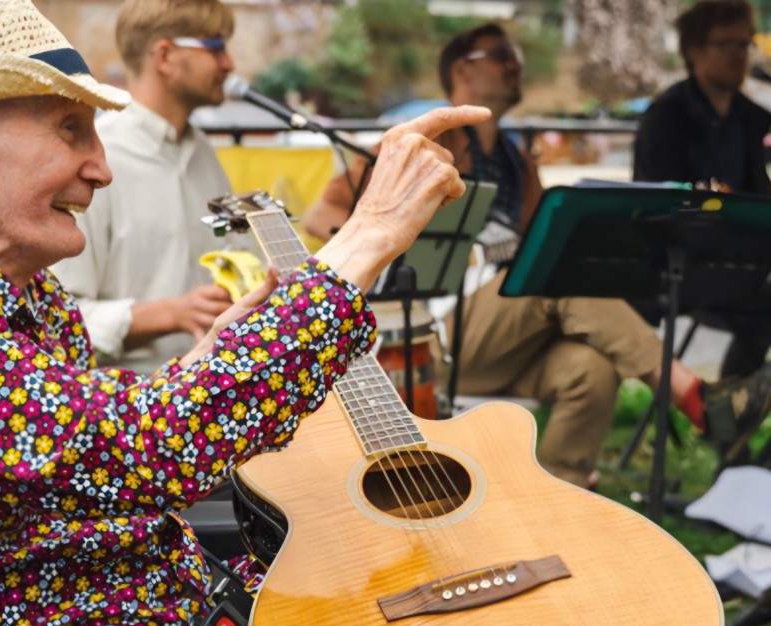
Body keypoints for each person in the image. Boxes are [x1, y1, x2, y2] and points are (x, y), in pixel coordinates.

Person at [0, 0, 488, 626]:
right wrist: (368, 237)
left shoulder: (12, 286)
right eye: (69, 129)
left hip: (192, 614)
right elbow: (147, 450)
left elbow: (94, 438)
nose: (101, 168)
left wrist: (215, 350)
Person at [305, 22, 771, 488]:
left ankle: (554, 496)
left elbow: (541, 244)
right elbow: (322, 212)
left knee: (591, 369)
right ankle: (696, 400)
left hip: (507, 334)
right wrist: (380, 252)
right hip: (438, 335)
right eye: (500, 56)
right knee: (558, 281)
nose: (516, 66)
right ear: (461, 72)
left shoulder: (515, 159)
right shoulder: (428, 143)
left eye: (518, 57)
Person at [52, 0, 257, 376]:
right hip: (124, 407)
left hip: (215, 394)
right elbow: (56, 322)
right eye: (216, 46)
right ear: (164, 56)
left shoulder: (203, 154)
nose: (229, 64)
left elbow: (239, 260)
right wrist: (168, 314)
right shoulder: (98, 159)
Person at [635, 0, 771, 380]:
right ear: (694, 51)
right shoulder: (665, 119)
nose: (740, 55)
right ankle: (727, 417)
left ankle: (730, 417)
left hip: (744, 262)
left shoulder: (754, 120)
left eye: (745, 44)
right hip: (676, 266)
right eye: (727, 44)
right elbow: (657, 209)